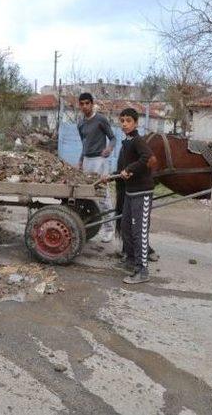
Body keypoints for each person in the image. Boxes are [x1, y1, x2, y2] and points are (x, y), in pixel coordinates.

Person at [107, 108, 156, 284]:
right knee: (126, 226)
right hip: (130, 191)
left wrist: (129, 170)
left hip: (142, 192)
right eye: (122, 121)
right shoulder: (126, 142)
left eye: (128, 121)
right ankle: (130, 260)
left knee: (139, 231)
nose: (125, 124)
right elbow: (124, 168)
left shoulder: (137, 140)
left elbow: (148, 158)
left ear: (136, 123)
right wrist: (112, 175)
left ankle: (142, 271)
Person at [77, 92, 116, 243]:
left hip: (100, 160)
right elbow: (84, 144)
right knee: (86, 194)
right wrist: (80, 161)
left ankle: (109, 230)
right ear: (79, 105)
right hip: (87, 160)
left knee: (103, 195)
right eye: (82, 104)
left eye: (88, 103)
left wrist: (109, 149)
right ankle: (89, 226)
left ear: (92, 104)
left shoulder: (100, 119)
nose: (85, 106)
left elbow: (112, 138)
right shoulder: (80, 124)